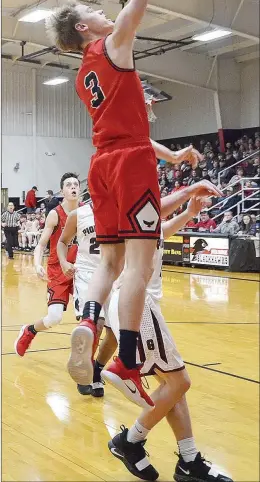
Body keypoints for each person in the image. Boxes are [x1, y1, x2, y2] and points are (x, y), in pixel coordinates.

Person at [46, 0, 202, 408]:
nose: (103, 12)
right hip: (131, 160)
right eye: (94, 10)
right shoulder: (113, 46)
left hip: (102, 163)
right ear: (83, 27)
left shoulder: (82, 76)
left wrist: (168, 151)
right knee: (139, 261)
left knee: (110, 262)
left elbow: (122, 126)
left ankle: (89, 321)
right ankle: (127, 362)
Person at [57, 182, 232, 482]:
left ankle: (188, 459)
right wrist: (189, 189)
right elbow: (155, 211)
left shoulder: (145, 218)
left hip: (140, 303)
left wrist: (189, 212)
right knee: (180, 382)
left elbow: (163, 229)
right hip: (138, 304)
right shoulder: (129, 211)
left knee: (173, 385)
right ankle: (131, 440)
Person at [14, 173, 80, 356]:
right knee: (54, 318)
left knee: (89, 314)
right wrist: (37, 264)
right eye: (69, 185)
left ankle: (86, 359)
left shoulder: (86, 212)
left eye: (76, 184)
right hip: (58, 270)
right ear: (62, 191)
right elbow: (41, 244)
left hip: (80, 270)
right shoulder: (55, 214)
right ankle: (30, 330)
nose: (73, 187)